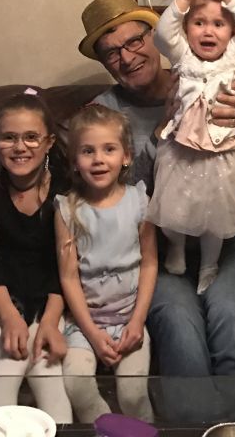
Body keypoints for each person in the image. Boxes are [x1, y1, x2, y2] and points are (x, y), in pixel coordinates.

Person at [78, 0, 235, 420]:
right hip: (158, 247)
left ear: (158, 35)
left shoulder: (217, 78)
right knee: (180, 327)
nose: (127, 57)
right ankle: (196, 427)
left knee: (232, 315)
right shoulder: (101, 115)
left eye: (134, 40)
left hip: (228, 236)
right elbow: (112, 201)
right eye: (111, 52)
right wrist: (164, 132)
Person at [146, 0, 235, 295]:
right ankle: (176, 248)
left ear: (233, 30)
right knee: (173, 208)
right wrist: (183, 1)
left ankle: (209, 265)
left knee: (216, 217)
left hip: (221, 152)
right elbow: (161, 35)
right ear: (186, 29)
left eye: (219, 23)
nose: (208, 31)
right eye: (199, 23)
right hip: (180, 151)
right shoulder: (182, 55)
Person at [0, 92, 73, 424]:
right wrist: (10, 317)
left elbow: (65, 267)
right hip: (2, 299)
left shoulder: (65, 190)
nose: (20, 147)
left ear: (49, 142)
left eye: (31, 137)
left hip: (51, 300)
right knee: (7, 369)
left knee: (48, 377)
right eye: (9, 138)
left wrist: (49, 321)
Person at [56, 105, 155, 422]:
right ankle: (107, 429)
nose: (98, 159)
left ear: (126, 156)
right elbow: (68, 278)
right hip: (85, 324)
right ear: (74, 161)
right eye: (88, 151)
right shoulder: (67, 209)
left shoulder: (139, 201)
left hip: (129, 321)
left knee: (133, 394)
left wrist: (137, 322)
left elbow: (150, 264)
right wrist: (91, 332)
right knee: (77, 385)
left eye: (108, 149)